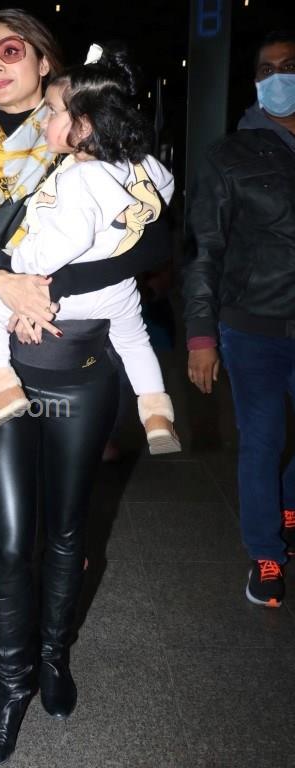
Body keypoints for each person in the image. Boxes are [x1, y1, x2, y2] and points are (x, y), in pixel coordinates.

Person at [0, 9, 174, 764]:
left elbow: (157, 241)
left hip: (82, 370)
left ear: (45, 62)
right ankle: (10, 684)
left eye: (10, 50)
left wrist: (47, 283)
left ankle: (52, 656)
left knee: (69, 530)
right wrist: (2, 282)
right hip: (3, 371)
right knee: (11, 538)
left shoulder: (95, 143)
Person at [0, 47, 180, 458]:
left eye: (52, 111)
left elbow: (66, 241)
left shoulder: (81, 178)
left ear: (83, 124)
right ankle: (156, 413)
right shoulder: (140, 164)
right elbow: (164, 187)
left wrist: (18, 273)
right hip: (117, 290)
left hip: (70, 292)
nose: (44, 119)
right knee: (135, 340)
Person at [184, 30, 295, 609]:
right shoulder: (230, 155)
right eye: (266, 69)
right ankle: (265, 552)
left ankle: (286, 505)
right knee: (263, 439)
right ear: (254, 82)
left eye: (288, 66)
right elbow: (206, 249)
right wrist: (201, 334)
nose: (278, 77)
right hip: (253, 326)